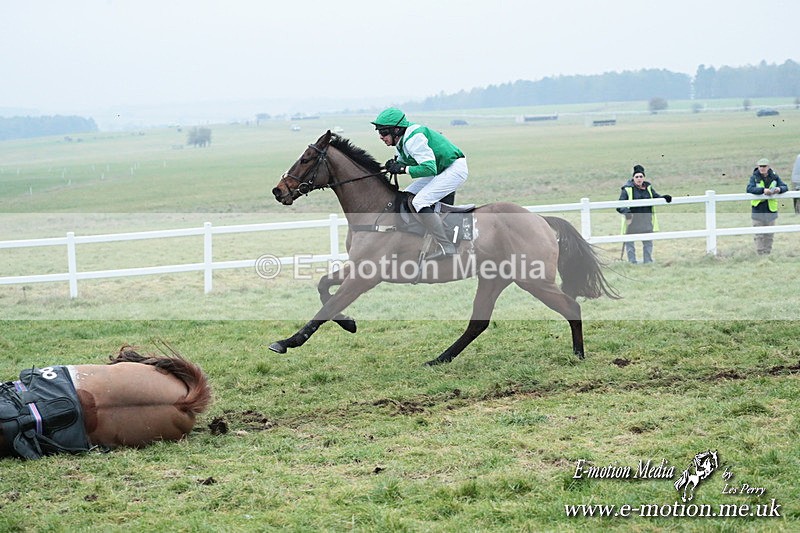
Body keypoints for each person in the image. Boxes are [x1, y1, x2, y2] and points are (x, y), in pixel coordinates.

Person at [371, 107, 468, 259]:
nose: (381, 137)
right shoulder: (402, 141)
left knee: (420, 201)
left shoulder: (413, 139)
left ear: (396, 130)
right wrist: (393, 165)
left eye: (383, 132)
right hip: (441, 170)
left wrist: (403, 169)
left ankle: (447, 246)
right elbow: (406, 161)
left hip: (453, 169)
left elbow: (429, 168)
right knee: (407, 196)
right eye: (379, 132)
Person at [616, 164, 672, 264]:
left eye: (641, 176)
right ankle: (632, 262)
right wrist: (627, 213)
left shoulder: (648, 188)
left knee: (648, 243)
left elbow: (655, 197)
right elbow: (619, 205)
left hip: (646, 221)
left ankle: (648, 261)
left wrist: (664, 197)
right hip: (632, 221)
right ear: (633, 178)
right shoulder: (627, 189)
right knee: (630, 244)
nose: (639, 179)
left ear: (644, 177)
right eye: (637, 177)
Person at [746, 158, 788, 255]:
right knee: (759, 234)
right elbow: (749, 189)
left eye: (764, 166)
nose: (762, 168)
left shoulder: (774, 177)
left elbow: (785, 187)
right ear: (758, 167)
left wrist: (778, 189)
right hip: (758, 209)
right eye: (760, 166)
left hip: (771, 210)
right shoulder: (754, 178)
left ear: (768, 167)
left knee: (769, 234)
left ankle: (767, 253)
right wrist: (763, 190)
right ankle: (760, 253)